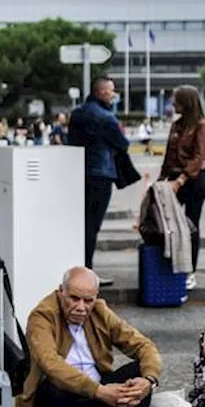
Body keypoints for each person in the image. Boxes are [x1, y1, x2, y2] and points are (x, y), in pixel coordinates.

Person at [18, 267, 162, 407]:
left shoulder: (99, 311)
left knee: (138, 375)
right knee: (52, 385)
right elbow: (50, 364)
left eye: (88, 300)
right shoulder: (42, 316)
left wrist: (149, 380)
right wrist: (100, 391)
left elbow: (143, 345)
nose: (81, 307)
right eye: (74, 298)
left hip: (97, 400)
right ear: (61, 292)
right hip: (57, 406)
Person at [66, 76, 130, 287]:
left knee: (80, 225)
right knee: (92, 226)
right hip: (101, 174)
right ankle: (87, 273)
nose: (114, 94)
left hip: (77, 174)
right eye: (111, 90)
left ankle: (76, 270)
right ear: (101, 92)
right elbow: (123, 143)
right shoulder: (106, 117)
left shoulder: (77, 114)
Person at [158, 85, 205, 290]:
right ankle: (171, 265)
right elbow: (168, 155)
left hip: (194, 180)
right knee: (166, 223)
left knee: (191, 225)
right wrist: (161, 179)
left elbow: (199, 157)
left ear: (186, 103)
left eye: (176, 100)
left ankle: (190, 271)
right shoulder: (178, 125)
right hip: (173, 180)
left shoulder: (201, 125)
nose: (173, 104)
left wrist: (181, 179)